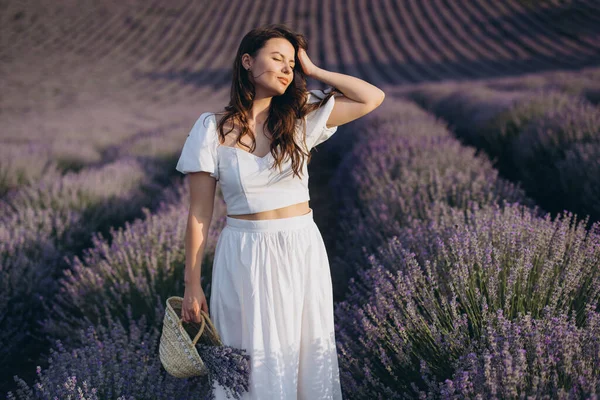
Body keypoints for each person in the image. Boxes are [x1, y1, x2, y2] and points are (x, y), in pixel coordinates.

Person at [175, 23, 385, 400]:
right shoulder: (210, 129)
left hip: (299, 249)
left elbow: (372, 97)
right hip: (243, 256)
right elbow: (199, 214)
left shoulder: (301, 118)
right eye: (278, 58)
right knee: (250, 365)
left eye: (293, 63)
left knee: (303, 356)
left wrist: (315, 71)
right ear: (246, 62)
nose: (288, 69)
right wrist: (192, 285)